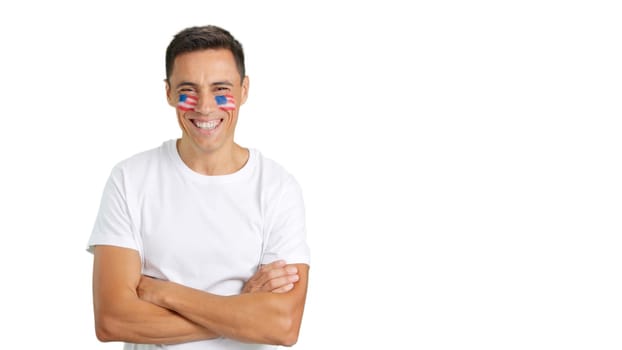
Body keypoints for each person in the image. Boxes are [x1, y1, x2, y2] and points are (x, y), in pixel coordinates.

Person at [87, 25, 310, 349]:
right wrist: (241, 309)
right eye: (188, 90)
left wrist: (164, 292)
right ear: (168, 92)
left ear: (244, 90)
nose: (205, 106)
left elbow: (283, 325)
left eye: (221, 89)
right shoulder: (130, 179)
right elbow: (112, 319)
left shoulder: (278, 188)